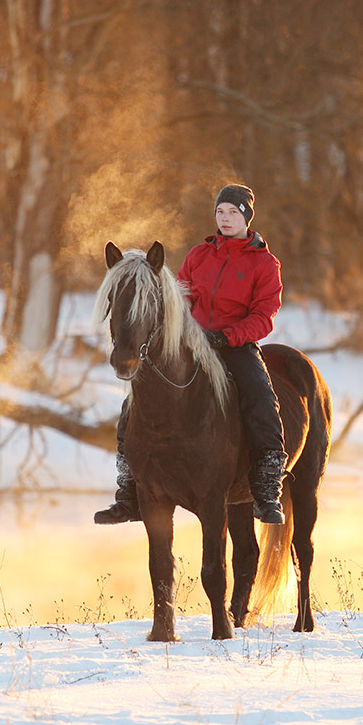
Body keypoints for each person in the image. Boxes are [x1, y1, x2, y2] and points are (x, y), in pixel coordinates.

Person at [94, 183, 288, 525]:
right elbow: (180, 301)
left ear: (246, 217)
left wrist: (226, 337)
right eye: (220, 212)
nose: (225, 218)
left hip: (237, 346)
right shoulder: (199, 255)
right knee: (133, 404)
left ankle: (266, 486)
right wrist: (185, 333)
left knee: (261, 398)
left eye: (233, 212)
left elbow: (264, 316)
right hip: (192, 345)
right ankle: (128, 492)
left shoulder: (265, 263)